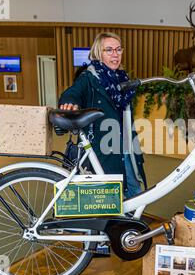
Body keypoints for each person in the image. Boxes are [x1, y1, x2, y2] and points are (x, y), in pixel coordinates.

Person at [58, 32, 147, 199]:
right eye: (109, 50)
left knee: (134, 189)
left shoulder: (122, 79)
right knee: (107, 195)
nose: (115, 54)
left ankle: (129, 222)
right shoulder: (89, 77)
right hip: (103, 146)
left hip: (125, 143)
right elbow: (72, 93)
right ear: (99, 53)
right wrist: (68, 102)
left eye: (118, 49)